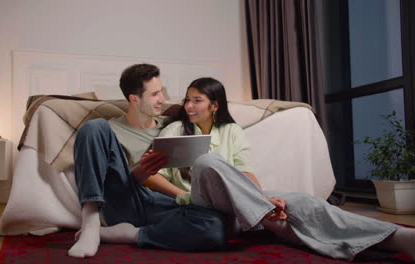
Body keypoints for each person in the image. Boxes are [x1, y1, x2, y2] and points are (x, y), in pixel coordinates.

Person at [145, 77, 415, 261]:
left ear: (214, 105)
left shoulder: (231, 130)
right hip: (199, 206)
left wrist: (262, 197)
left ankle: (397, 238)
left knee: (303, 202)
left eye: (197, 100)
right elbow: (150, 175)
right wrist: (181, 196)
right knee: (207, 161)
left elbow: (246, 172)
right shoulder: (174, 130)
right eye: (187, 100)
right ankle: (263, 213)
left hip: (240, 209)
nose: (189, 106)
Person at [68, 64, 226, 258]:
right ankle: (90, 222)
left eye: (162, 91)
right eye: (155, 94)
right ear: (134, 99)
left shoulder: (172, 125)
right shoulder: (107, 132)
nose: (163, 99)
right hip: (125, 200)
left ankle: (132, 234)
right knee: (93, 127)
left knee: (215, 227)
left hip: (164, 205)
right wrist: (141, 171)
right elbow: (116, 182)